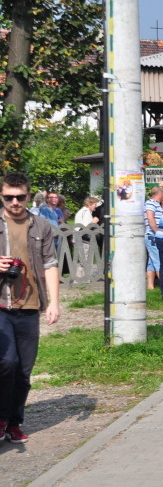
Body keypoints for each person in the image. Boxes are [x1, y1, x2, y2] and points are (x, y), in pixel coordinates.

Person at [0, 172, 60, 444]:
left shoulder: (41, 225)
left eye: (20, 197)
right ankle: (1, 418)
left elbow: (50, 264)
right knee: (6, 363)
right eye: (8, 197)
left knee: (23, 370)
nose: (15, 202)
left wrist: (54, 303)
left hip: (30, 305)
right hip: (1, 304)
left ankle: (13, 423)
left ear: (28, 195)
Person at [143, 187, 163, 290]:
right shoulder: (150, 203)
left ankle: (150, 286)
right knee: (158, 261)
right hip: (152, 236)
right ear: (160, 194)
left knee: (152, 262)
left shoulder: (157, 204)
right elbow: (150, 218)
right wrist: (157, 233)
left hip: (153, 235)